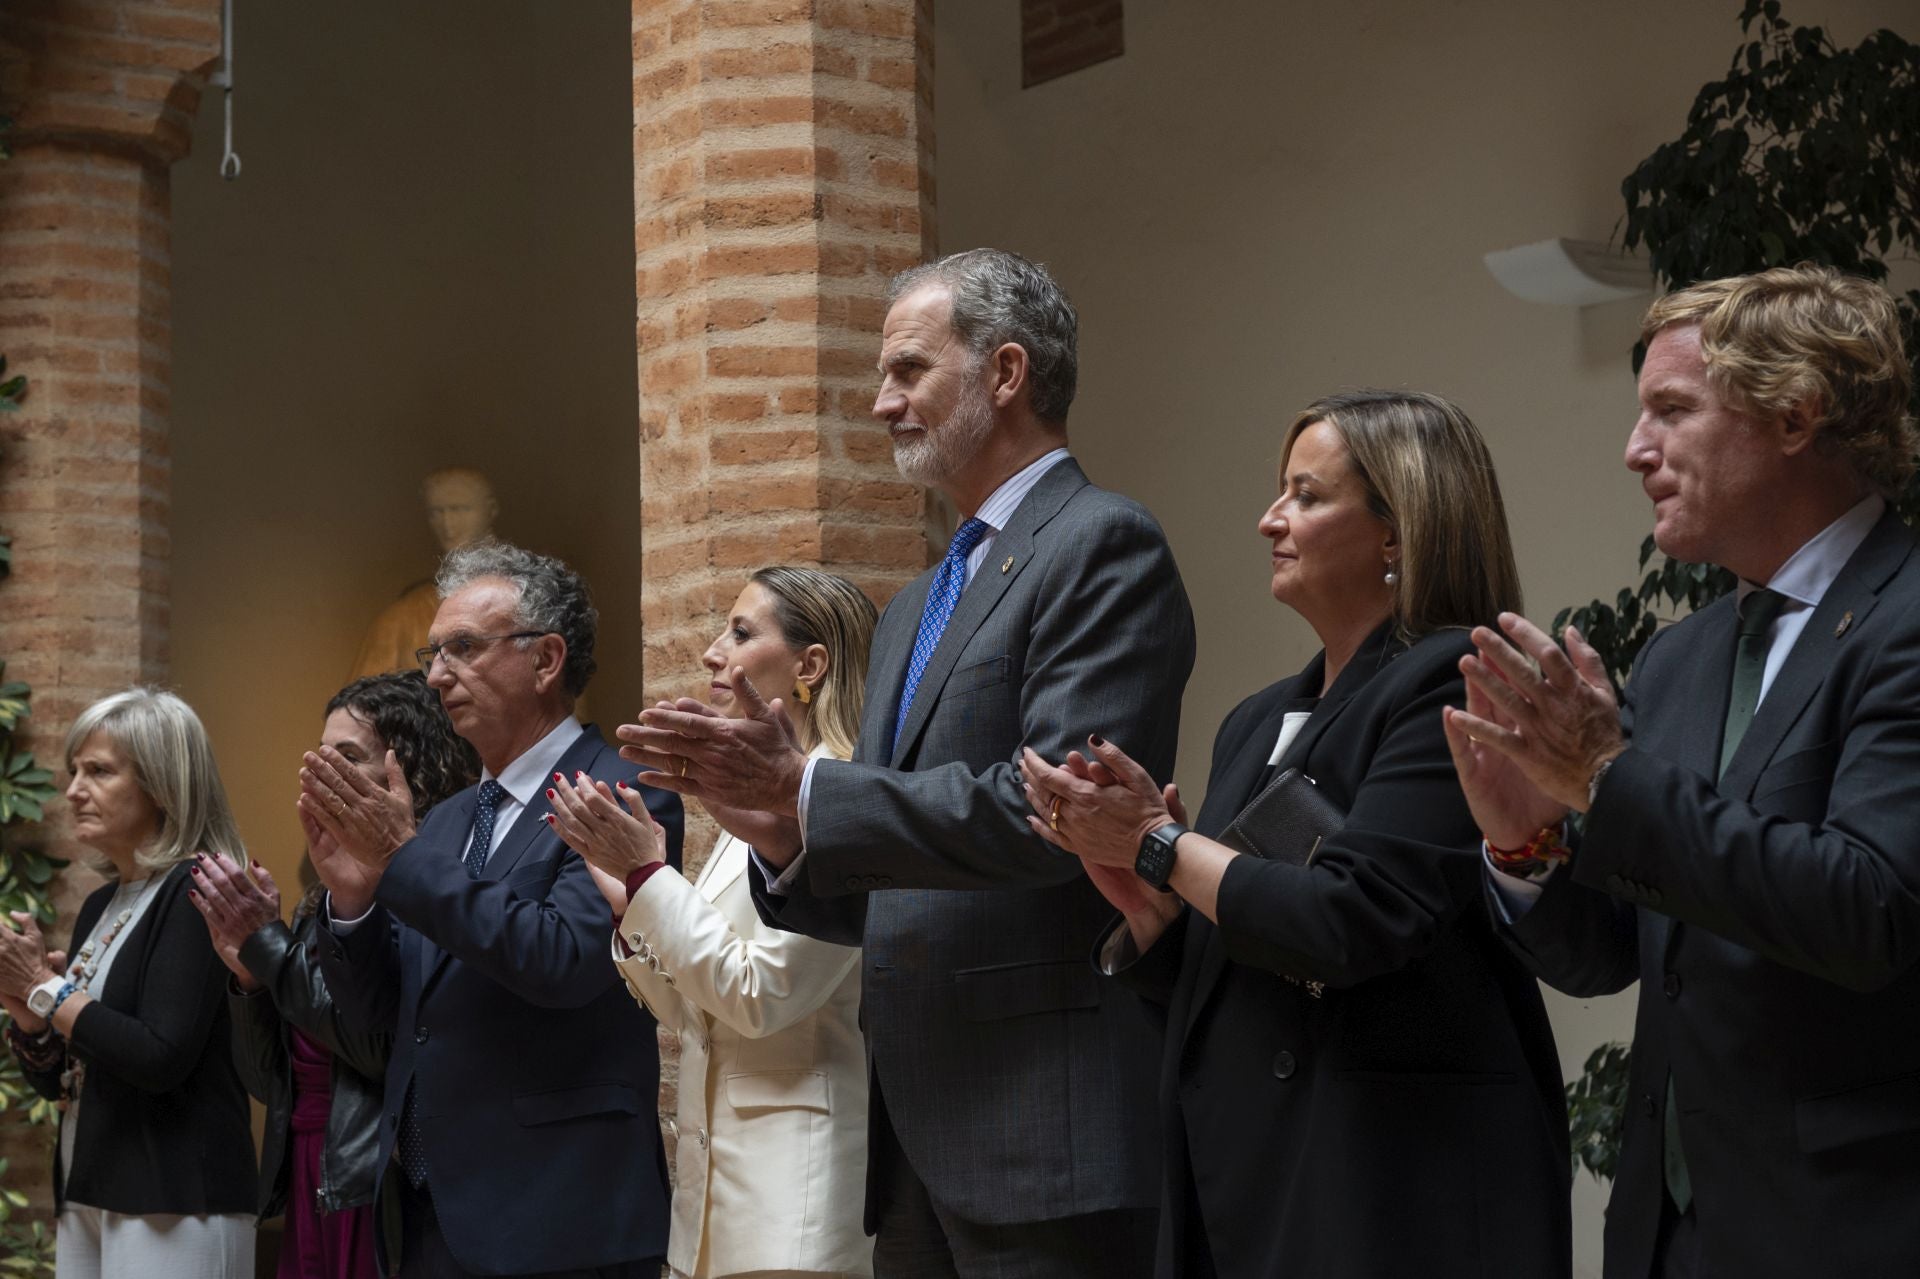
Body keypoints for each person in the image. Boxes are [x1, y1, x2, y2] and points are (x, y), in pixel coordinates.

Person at [619, 248, 1195, 1278]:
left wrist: (808, 789)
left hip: (1044, 1125)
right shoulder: (915, 606)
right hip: (911, 1145)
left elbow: (1058, 812)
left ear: (1006, 372)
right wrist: (786, 838)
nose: (882, 403)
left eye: (909, 371)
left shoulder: (1101, 541)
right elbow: (889, 883)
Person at [1022, 390, 1570, 1278]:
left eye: (1306, 496)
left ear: (1397, 533)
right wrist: (1157, 914)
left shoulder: (1452, 682)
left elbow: (1348, 919)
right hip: (1249, 1173)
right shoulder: (1254, 720)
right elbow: (1251, 957)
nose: (1269, 519)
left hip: (1390, 1185)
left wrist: (1161, 843)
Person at [1446, 265, 1920, 1278]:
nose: (1636, 449)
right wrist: (1527, 843)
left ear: (1795, 414)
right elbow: (1621, 952)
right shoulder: (1680, 656)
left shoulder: (1906, 620)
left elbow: (1872, 908)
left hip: (1852, 1229)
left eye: (1671, 409)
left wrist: (1607, 777)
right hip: (1668, 1241)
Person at [299, 539, 684, 1278]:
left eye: (464, 648)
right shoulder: (445, 821)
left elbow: (563, 961)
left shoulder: (618, 791)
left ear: (546, 659)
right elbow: (384, 1014)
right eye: (433, 653)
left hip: (559, 1213)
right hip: (428, 1215)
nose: (436, 675)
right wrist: (350, 904)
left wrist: (401, 858)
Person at [550, 566, 878, 1279]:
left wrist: (650, 877)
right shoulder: (760, 805)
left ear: (810, 666)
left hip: (795, 1203)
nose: (711, 652)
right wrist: (630, 901)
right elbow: (695, 1012)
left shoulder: (842, 795)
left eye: (741, 632)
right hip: (712, 1199)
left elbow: (760, 996)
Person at [190, 671, 479, 1279]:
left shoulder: (430, 889)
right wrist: (248, 980)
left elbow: (378, 1048)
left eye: (347, 757)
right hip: (309, 1172)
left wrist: (269, 949)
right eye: (319, 756)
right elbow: (269, 1083)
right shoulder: (316, 902)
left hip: (373, 1180)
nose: (322, 774)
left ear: (406, 770)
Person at [0, 687, 256, 1277]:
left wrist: (45, 986)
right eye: (74, 771)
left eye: (98, 771)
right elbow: (66, 1080)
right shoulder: (101, 904)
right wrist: (32, 1019)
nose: (73, 790)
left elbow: (158, 1055)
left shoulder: (200, 889)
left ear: (162, 784)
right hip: (92, 1182)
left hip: (176, 1194)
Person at [351, 467, 501, 680]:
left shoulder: (528, 599)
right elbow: (365, 695)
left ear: (491, 510)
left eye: (460, 509)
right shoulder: (402, 618)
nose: (448, 524)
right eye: (436, 513)